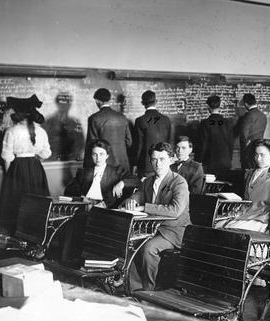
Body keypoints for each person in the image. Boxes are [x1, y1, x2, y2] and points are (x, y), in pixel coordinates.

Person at [123, 142, 190, 291]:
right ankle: (134, 288)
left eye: (162, 159)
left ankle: (148, 291)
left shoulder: (178, 182)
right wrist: (131, 201)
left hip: (173, 231)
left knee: (148, 248)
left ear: (171, 160)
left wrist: (145, 208)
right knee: (128, 242)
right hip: (151, 228)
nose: (157, 163)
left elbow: (175, 211)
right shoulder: (148, 181)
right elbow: (137, 196)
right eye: (154, 159)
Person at [0, 95, 51, 235]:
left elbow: (7, 157)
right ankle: (35, 235)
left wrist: (10, 175)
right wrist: (35, 162)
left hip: (18, 169)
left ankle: (18, 234)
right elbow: (46, 153)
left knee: (17, 202)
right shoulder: (41, 131)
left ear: (18, 114)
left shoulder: (12, 131)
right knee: (37, 202)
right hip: (36, 168)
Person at [217, 139, 270, 232]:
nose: (258, 158)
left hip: (261, 219)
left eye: (262, 155)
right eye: (256, 154)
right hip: (242, 214)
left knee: (230, 232)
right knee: (216, 226)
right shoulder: (250, 173)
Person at [64, 139, 133, 208]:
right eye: (95, 154)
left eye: (101, 154)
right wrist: (81, 198)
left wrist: (122, 183)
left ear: (107, 155)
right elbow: (69, 191)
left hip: (105, 208)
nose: (98, 158)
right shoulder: (84, 172)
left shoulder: (116, 171)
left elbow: (136, 180)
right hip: (85, 205)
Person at [84, 88, 132, 172]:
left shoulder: (94, 118)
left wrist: (87, 166)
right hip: (123, 163)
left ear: (97, 101)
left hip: (105, 165)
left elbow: (91, 144)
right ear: (109, 100)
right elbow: (129, 142)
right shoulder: (122, 117)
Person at [134, 90, 172, 177]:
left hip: (146, 165)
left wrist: (135, 163)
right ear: (156, 102)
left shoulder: (140, 121)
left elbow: (138, 145)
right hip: (164, 164)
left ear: (142, 103)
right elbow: (170, 142)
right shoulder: (166, 119)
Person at [199, 95, 233, 176]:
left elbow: (203, 144)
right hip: (225, 161)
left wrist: (198, 160)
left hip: (209, 162)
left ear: (208, 107)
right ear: (220, 106)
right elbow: (231, 143)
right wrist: (229, 159)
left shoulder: (205, 123)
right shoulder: (228, 123)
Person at [237, 93, 267, 169]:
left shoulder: (248, 116)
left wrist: (244, 149)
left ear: (246, 104)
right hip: (259, 148)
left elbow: (244, 134)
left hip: (248, 151)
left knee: (247, 174)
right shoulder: (263, 116)